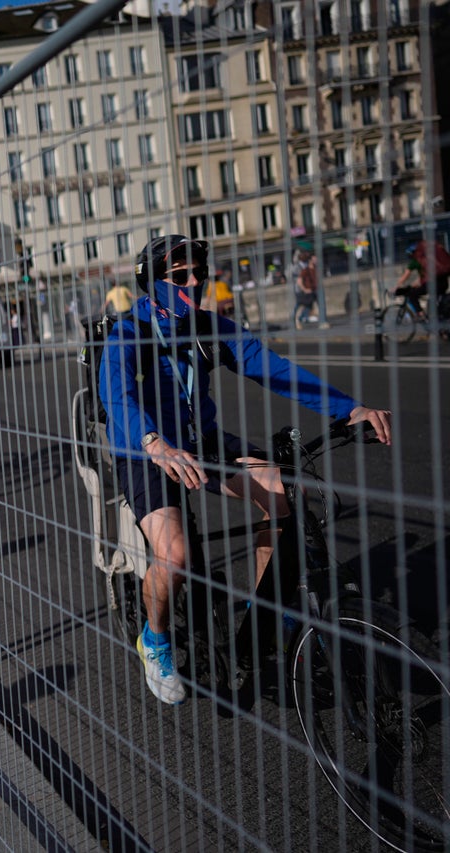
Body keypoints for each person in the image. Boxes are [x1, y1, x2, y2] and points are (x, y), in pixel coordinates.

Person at [98, 235, 391, 705]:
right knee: (174, 556)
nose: (195, 282)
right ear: (151, 285)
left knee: (278, 484)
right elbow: (115, 395)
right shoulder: (128, 333)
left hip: (202, 442)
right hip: (146, 449)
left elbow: (275, 368)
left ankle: (265, 612)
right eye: (180, 276)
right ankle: (153, 641)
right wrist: (155, 444)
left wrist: (348, 409)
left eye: (198, 272)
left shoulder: (209, 328)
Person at [392, 240, 450, 321]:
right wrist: (413, 284)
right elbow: (422, 278)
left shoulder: (416, 260)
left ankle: (421, 315)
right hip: (443, 283)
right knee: (437, 303)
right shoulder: (430, 260)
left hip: (432, 284)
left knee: (412, 295)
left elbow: (406, 275)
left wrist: (396, 287)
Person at [293, 252, 319, 329]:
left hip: (309, 288)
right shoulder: (297, 267)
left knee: (309, 304)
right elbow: (298, 280)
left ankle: (302, 317)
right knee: (299, 304)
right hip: (300, 289)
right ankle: (295, 319)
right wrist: (303, 288)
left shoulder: (308, 265)